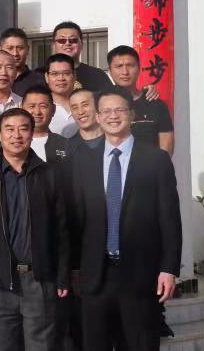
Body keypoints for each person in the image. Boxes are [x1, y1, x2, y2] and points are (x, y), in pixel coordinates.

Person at [71, 88, 182, 350]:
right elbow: (76, 219)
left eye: (119, 110)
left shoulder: (156, 159)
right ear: (98, 117)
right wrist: (73, 268)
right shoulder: (83, 161)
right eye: (106, 111)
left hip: (140, 274)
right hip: (96, 275)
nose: (113, 116)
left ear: (131, 114)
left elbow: (169, 218)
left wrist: (169, 268)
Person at [0, 109, 69, 351]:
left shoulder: (49, 174)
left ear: (32, 134)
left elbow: (62, 230)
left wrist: (63, 275)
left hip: (39, 279)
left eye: (23, 129)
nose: (17, 135)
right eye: (9, 129)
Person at [108, 45, 174, 154]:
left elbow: (166, 150)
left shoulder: (156, 105)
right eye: (119, 66)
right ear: (110, 71)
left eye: (130, 65)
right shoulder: (101, 105)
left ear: (139, 68)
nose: (125, 72)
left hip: (150, 164)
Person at [50, 21, 111, 92]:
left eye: (73, 40)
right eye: (62, 40)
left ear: (81, 44)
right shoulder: (40, 76)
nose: (67, 43)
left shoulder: (98, 75)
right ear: (53, 45)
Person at [22, 85, 70, 165]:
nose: (37, 112)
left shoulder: (66, 145)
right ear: (21, 108)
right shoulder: (11, 143)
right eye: (31, 106)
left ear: (53, 109)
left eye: (43, 106)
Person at [0, 27, 46, 97]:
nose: (15, 53)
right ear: (1, 49)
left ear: (28, 49)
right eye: (10, 48)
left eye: (20, 48)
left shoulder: (41, 81)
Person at [45, 53, 79, 138]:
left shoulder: (87, 105)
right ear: (46, 77)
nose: (61, 78)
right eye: (55, 74)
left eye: (66, 73)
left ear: (74, 76)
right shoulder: (41, 108)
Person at [68, 88, 104, 153]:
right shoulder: (67, 147)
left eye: (85, 105)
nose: (80, 112)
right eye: (75, 108)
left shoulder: (117, 139)